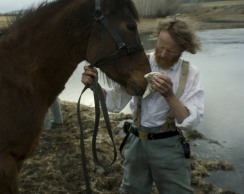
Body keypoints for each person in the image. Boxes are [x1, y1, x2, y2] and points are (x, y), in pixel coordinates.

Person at [81, 18, 204, 194]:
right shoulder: (141, 62)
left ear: (183, 49)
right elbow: (115, 102)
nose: (162, 54)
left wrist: (169, 95)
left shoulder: (190, 73)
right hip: (136, 142)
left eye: (170, 51)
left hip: (169, 147)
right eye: (160, 46)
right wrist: (95, 86)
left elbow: (190, 123)